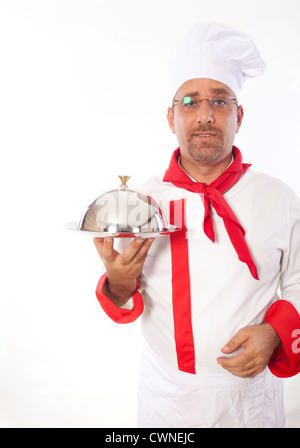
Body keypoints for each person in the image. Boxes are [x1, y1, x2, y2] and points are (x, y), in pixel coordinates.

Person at [93, 23, 300, 428]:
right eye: (190, 102)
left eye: (219, 101)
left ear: (238, 115)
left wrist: (275, 332)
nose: (205, 115)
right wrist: (119, 282)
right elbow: (123, 295)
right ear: (171, 117)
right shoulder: (141, 202)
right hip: (168, 400)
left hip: (250, 402)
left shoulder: (278, 198)